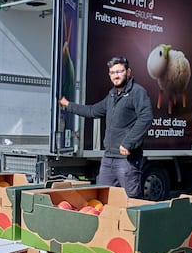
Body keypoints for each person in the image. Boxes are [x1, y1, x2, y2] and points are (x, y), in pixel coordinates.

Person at [59, 56, 153, 199]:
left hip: (126, 161)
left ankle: (132, 222)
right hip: (108, 159)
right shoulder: (112, 96)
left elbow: (146, 117)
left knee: (131, 201)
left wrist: (128, 143)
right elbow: (92, 111)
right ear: (110, 75)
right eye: (112, 72)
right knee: (102, 198)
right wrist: (68, 105)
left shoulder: (137, 92)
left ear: (128, 72)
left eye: (119, 71)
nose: (116, 75)